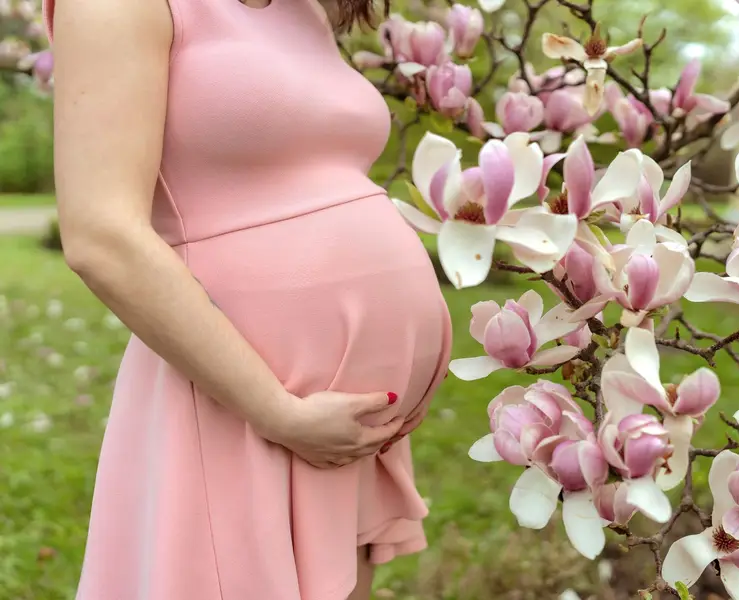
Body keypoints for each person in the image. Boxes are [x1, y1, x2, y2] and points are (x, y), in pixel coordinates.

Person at [45, 0, 452, 597]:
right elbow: (101, 236)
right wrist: (275, 411)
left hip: (342, 423)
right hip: (242, 401)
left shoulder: (299, 9)